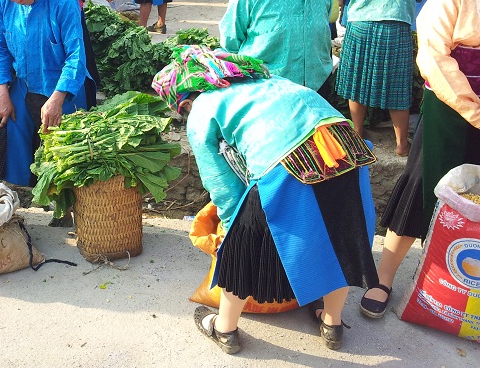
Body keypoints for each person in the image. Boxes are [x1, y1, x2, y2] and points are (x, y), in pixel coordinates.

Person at [152, 45, 378, 354]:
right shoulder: (270, 81)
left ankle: (225, 330)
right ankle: (332, 323)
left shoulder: (203, 107)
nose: (186, 115)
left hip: (288, 162)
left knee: (241, 250)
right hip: (344, 151)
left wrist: (231, 229)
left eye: (183, 110)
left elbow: (220, 182)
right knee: (341, 242)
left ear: (187, 99)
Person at [360, 0, 480, 320]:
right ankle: (384, 278)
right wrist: (472, 108)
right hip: (452, 107)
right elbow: (433, 55)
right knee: (424, 185)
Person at [0, 0, 89, 187]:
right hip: (23, 84)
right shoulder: (4, 4)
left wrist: (57, 98)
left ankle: (63, 207)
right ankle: (18, 196)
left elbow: (75, 56)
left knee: (64, 156)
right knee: (5, 139)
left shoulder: (64, 2)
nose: (16, 1)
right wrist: (2, 92)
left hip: (63, 88)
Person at [335, 0, 432, 156]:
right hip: (395, 26)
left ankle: (357, 133)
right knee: (397, 88)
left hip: (360, 25)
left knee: (358, 84)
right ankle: (401, 144)